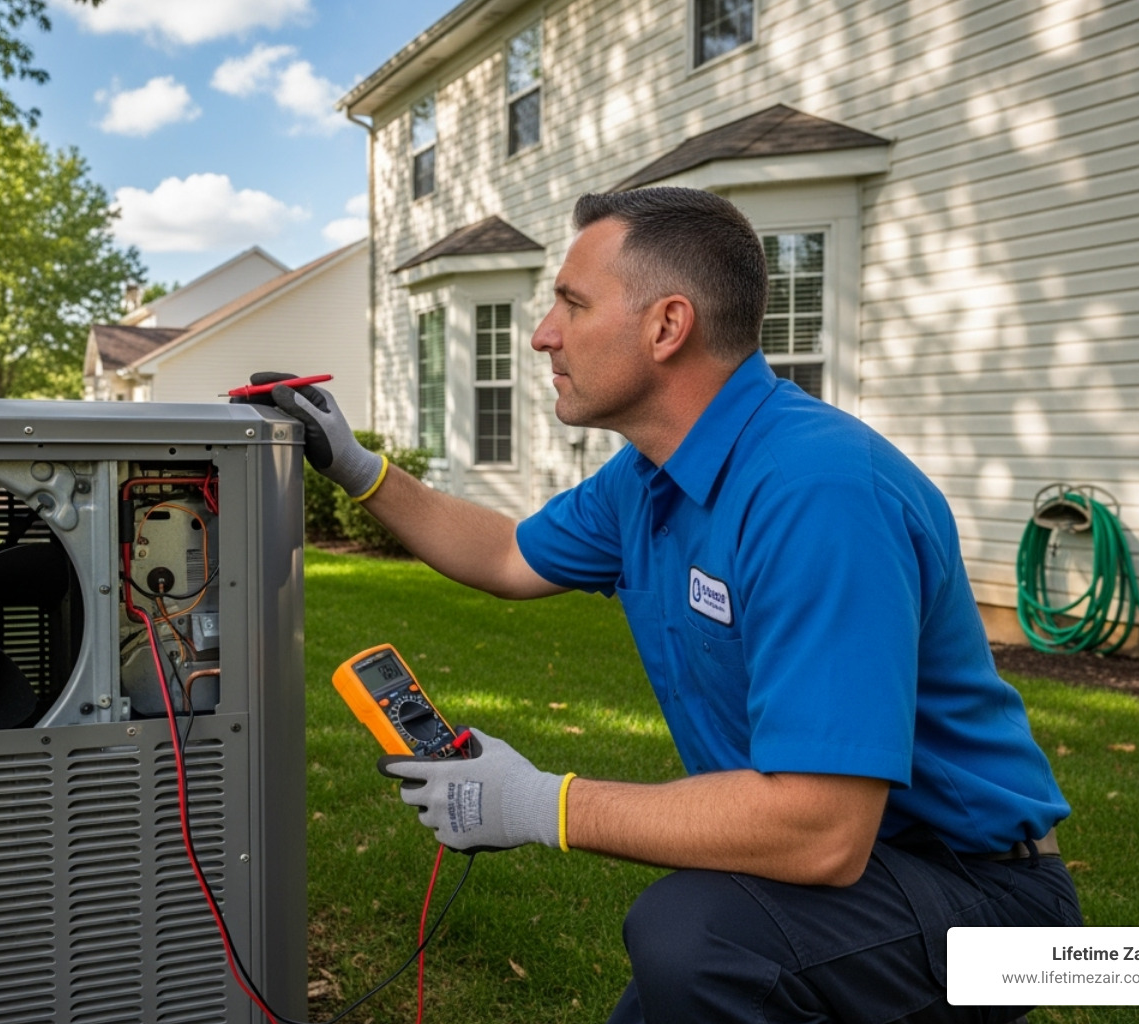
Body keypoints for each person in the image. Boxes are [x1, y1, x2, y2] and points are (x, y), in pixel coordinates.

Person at [243, 187, 1081, 1024]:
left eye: (572, 303)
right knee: (695, 950)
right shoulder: (647, 479)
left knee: (695, 939)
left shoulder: (817, 492)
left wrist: (539, 803)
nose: (542, 334)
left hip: (999, 918)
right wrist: (358, 468)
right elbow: (506, 553)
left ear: (667, 327)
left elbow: (822, 830)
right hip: (832, 894)